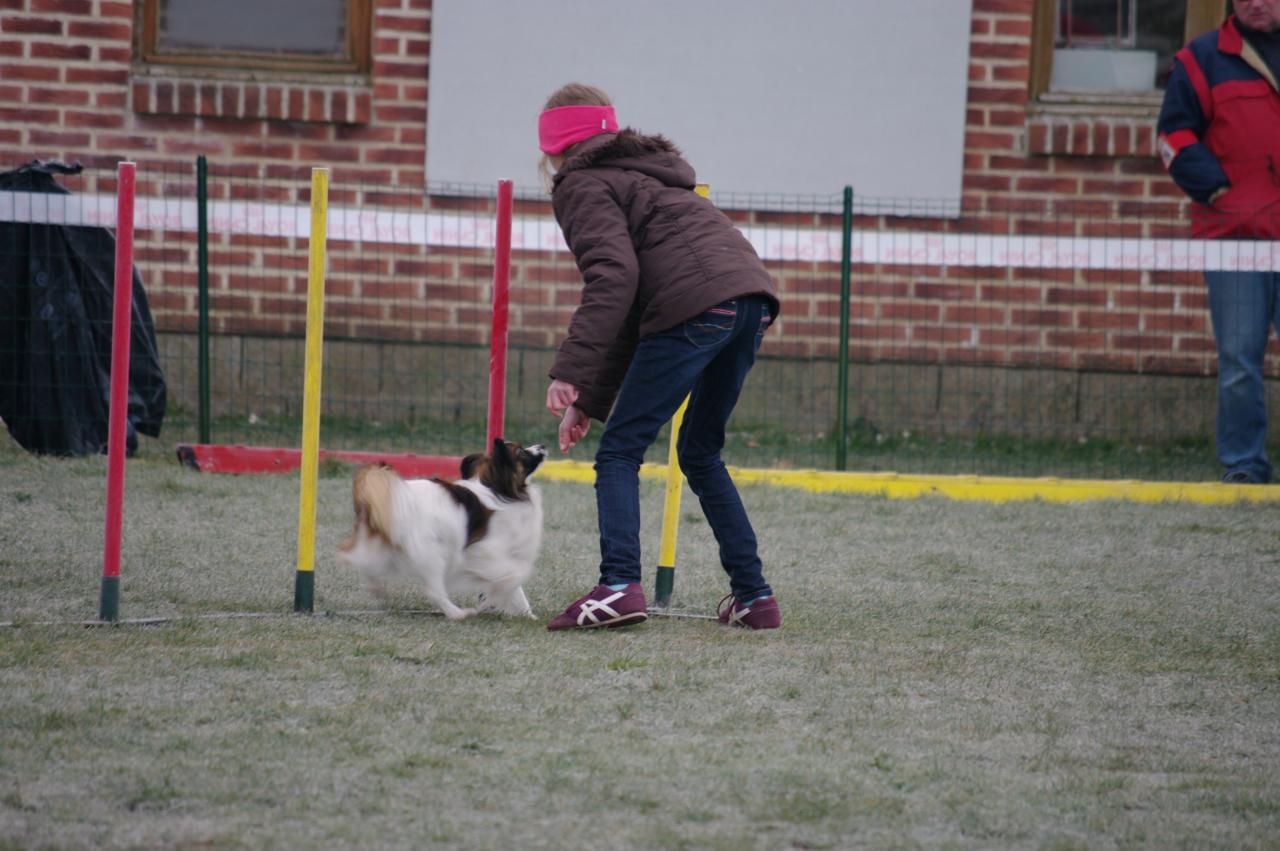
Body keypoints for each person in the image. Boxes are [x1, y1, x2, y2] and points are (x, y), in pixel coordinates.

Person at [537, 83, 782, 631]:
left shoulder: (579, 183)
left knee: (620, 452)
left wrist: (570, 372)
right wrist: (590, 399)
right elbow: (635, 308)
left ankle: (619, 586)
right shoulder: (651, 175)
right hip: (749, 299)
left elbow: (614, 278)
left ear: (554, 147)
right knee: (700, 451)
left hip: (698, 305)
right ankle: (755, 598)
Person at [1157, 0, 1280, 484]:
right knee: (1238, 361)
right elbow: (1172, 135)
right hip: (1234, 238)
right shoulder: (1200, 58)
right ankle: (1244, 465)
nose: (1255, 2)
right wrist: (1215, 187)